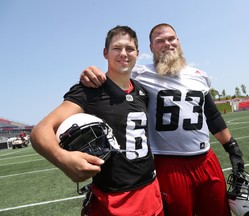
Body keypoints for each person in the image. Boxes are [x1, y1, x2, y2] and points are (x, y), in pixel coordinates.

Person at [79, 23, 245, 216]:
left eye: (171, 38)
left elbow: (212, 114)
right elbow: (116, 72)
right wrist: (91, 72)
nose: (167, 43)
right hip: (169, 163)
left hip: (206, 160)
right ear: (151, 48)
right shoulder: (140, 74)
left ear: (178, 41)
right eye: (159, 41)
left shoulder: (199, 76)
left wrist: (232, 148)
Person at [30, 25, 163, 216]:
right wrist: (63, 159)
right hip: (114, 201)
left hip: (151, 191)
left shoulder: (143, 91)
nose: (123, 53)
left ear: (138, 53)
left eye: (130, 49)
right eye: (117, 48)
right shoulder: (90, 90)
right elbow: (40, 131)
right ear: (105, 53)